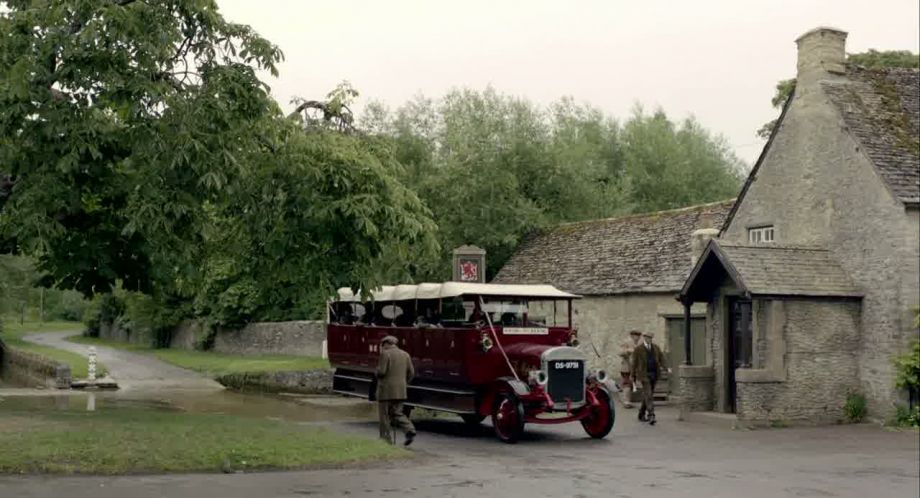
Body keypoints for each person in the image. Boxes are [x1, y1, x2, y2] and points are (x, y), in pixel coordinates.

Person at [376, 335, 417, 445]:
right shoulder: (405, 354)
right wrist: (404, 383)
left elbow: (381, 372)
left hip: (386, 390)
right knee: (397, 413)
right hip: (401, 390)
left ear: (385, 344)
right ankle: (410, 429)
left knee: (384, 415)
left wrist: (376, 371)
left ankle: (385, 439)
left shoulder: (385, 354)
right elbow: (411, 373)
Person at [631, 331, 667, 425]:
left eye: (650, 338)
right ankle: (651, 415)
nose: (649, 339)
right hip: (644, 375)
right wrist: (632, 375)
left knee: (647, 395)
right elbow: (634, 363)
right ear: (644, 338)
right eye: (647, 337)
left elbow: (662, 358)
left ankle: (641, 413)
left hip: (654, 373)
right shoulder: (638, 349)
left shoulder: (656, 348)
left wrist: (666, 368)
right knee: (649, 394)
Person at [618, 330, 642, 408]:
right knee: (627, 384)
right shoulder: (626, 342)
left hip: (636, 368)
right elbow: (620, 352)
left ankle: (628, 399)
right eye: (636, 336)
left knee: (632, 384)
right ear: (632, 336)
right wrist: (627, 351)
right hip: (627, 367)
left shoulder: (639, 344)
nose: (637, 338)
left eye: (638, 336)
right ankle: (626, 401)